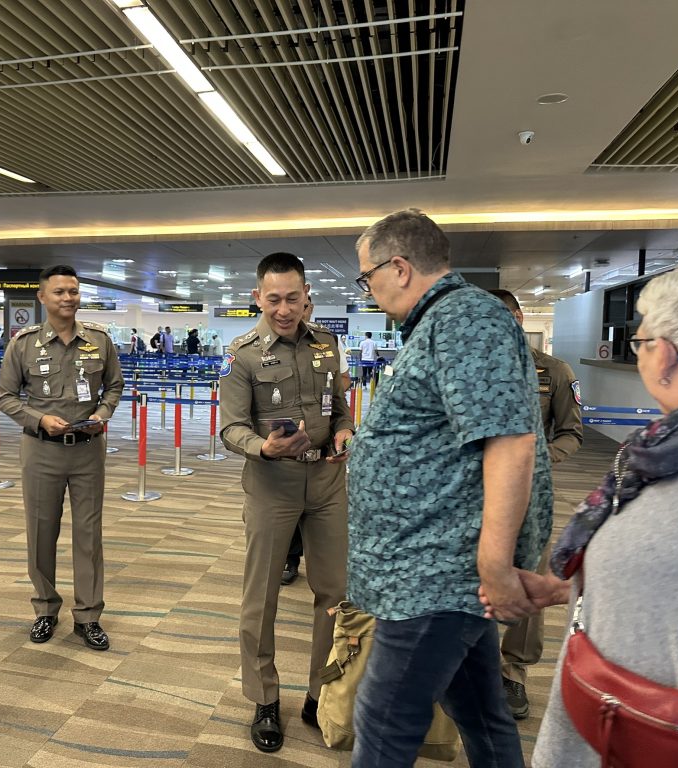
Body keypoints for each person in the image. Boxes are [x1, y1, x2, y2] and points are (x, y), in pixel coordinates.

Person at [476, 261, 678, 768]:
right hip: (621, 719)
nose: (639, 354)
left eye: (640, 343)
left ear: (665, 353)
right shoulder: (667, 446)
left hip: (676, 736)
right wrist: (569, 588)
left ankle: (514, 671)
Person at [347, 210, 552, 768]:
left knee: (384, 719)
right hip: (434, 568)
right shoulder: (440, 322)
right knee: (480, 712)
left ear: (399, 268)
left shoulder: (465, 318)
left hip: (437, 574)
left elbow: (509, 442)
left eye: (367, 277)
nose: (368, 290)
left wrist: (494, 565)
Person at [219, 252, 354, 753]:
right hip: (271, 484)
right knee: (261, 596)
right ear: (258, 297)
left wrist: (344, 431)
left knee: (334, 592)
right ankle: (265, 699)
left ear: (306, 296)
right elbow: (230, 427)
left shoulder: (326, 344)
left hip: (327, 481)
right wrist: (264, 448)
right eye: (273, 299)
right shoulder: (242, 354)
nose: (283, 309)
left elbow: (340, 407)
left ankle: (321, 693)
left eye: (292, 298)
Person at [0, 265, 124, 652]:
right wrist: (38, 419)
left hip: (87, 451)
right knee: (41, 532)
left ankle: (88, 616)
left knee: (88, 535)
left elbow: (114, 386)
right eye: (59, 292)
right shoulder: (23, 343)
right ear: (42, 298)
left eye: (73, 291)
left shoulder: (99, 340)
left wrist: (102, 414)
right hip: (42, 451)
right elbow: (5, 396)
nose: (68, 298)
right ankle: (45, 608)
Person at [490, 288, 584, 719]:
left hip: (531, 495)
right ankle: (472, 662)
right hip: (476, 493)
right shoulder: (470, 370)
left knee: (528, 577)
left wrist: (541, 459)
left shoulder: (554, 372)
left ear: (519, 317)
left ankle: (515, 670)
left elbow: (571, 432)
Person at [280, 295, 351, 588]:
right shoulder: (268, 344)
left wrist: (320, 391)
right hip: (284, 448)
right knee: (286, 511)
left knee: (322, 521)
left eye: (303, 305)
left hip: (320, 447)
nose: (297, 311)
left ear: (310, 308)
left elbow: (343, 381)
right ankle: (290, 559)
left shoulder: (327, 341)